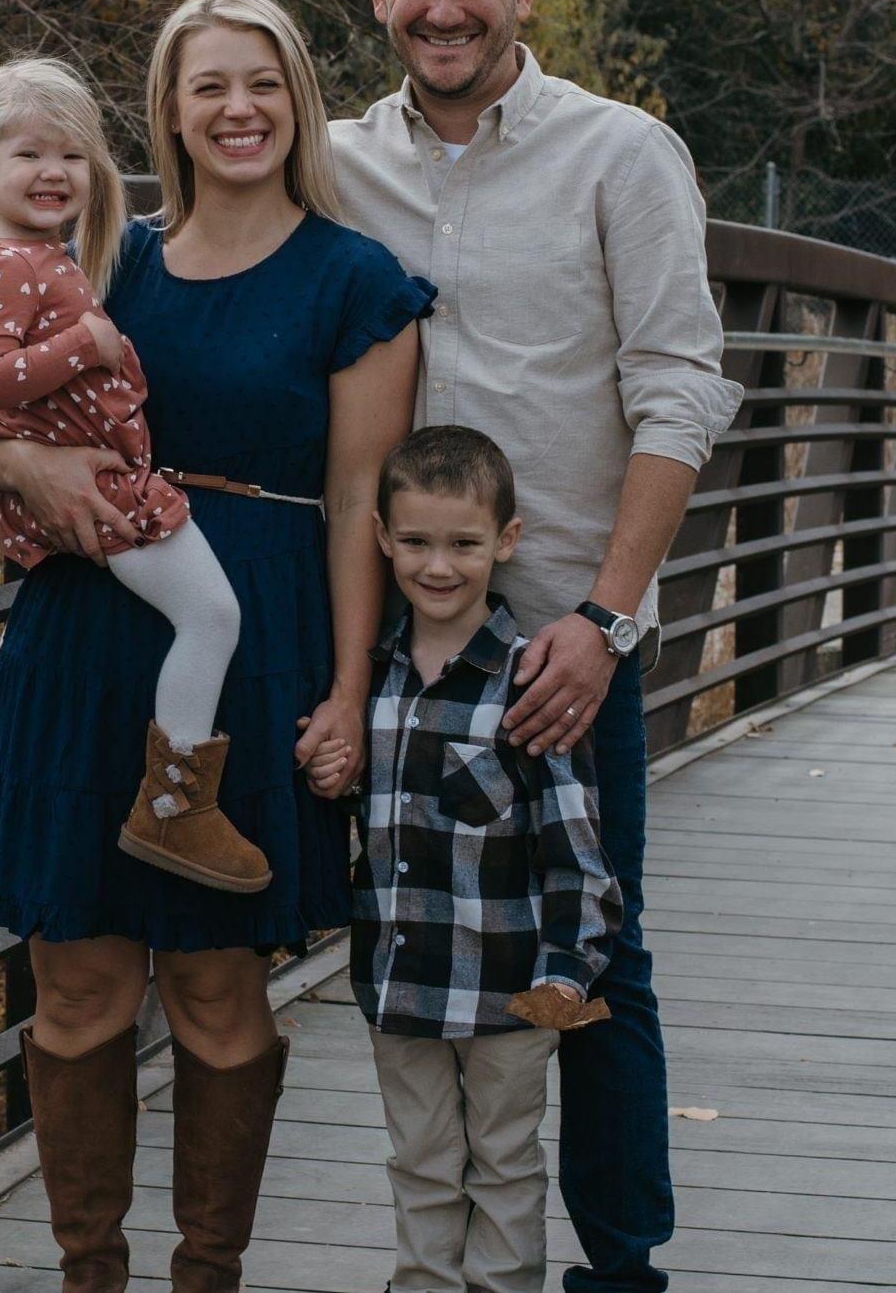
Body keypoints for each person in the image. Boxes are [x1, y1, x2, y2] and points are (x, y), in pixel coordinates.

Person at [0, 0, 430, 1293]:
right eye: (208, 84)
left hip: (248, 642)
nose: (237, 108)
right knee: (78, 978)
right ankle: (87, 1274)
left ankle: (207, 1273)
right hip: (83, 630)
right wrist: (19, 464)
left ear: (298, 102)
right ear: (165, 109)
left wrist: (346, 687)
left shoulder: (354, 280)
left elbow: (357, 505)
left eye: (262, 82)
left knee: (218, 986)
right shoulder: (105, 255)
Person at [330, 0, 744, 1293]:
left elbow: (681, 389)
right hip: (392, 655)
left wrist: (605, 619)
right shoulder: (334, 163)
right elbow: (201, 257)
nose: (444, 8)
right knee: (400, 945)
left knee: (597, 955)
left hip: (565, 642)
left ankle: (621, 1272)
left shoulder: (620, 154)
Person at [0, 56, 270, 894]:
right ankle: (176, 805)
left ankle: (175, 800)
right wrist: (88, 344)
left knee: (205, 617)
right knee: (212, 615)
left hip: (109, 482)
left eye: (72, 155)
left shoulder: (35, 254)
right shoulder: (9, 264)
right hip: (105, 496)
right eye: (31, 155)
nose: (55, 172)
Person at [333, 425, 621, 1293]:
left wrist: (566, 977)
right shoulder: (369, 681)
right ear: (382, 538)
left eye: (464, 543)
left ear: (507, 540)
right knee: (419, 1162)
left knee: (503, 1163)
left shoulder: (530, 684)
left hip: (508, 991)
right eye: (415, 542)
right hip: (398, 984)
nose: (438, 565)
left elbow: (578, 856)